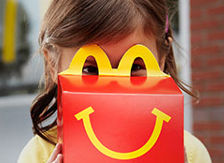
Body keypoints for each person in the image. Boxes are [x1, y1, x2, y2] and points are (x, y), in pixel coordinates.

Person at [18, 0, 212, 163]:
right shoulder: (38, 156)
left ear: (161, 61)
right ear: (53, 65)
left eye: (135, 67)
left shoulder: (191, 153)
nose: (114, 86)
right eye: (90, 69)